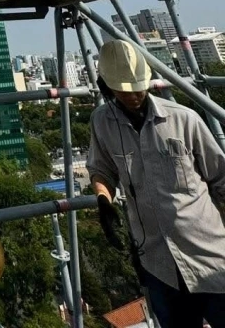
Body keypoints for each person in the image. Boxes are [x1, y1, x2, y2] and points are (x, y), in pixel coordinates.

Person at [87, 39, 225, 328]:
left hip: (209, 257)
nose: (135, 95)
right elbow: (102, 170)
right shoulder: (101, 123)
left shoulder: (184, 120)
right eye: (125, 90)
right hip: (157, 264)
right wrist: (103, 200)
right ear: (105, 86)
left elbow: (221, 176)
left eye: (139, 86)